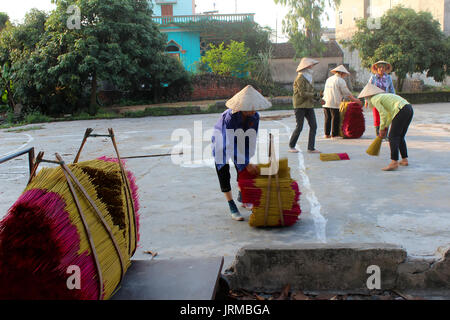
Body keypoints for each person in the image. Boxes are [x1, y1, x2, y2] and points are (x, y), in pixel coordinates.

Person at [211, 85, 271, 221]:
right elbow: (229, 144)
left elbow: (251, 138)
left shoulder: (255, 117)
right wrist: (244, 161)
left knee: (243, 169)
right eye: (251, 107)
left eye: (255, 106)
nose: (254, 110)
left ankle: (243, 196)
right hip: (223, 141)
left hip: (242, 139)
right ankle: (231, 204)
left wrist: (247, 160)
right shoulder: (229, 117)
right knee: (223, 171)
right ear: (243, 106)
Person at [358, 83, 414, 171]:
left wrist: (381, 129)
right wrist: (385, 127)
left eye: (365, 98)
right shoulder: (382, 96)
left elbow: (383, 114)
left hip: (401, 110)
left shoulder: (375, 99)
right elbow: (388, 115)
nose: (366, 101)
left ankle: (394, 162)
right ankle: (404, 160)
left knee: (393, 137)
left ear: (368, 96)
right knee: (400, 136)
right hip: (408, 108)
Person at [288, 57, 321, 153]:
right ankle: (291, 145)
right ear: (306, 66)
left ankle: (311, 148)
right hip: (300, 105)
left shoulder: (310, 77)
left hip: (309, 105)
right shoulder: (300, 78)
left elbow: (310, 92)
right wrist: (314, 95)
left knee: (313, 126)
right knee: (299, 127)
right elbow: (302, 93)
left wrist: (318, 99)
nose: (312, 66)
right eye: (311, 65)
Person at [322, 65, 361, 139]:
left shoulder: (329, 79)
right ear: (342, 73)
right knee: (335, 117)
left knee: (327, 118)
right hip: (334, 101)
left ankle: (326, 134)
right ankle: (334, 134)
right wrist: (355, 100)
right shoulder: (340, 80)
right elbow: (346, 92)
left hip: (326, 101)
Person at [364, 61, 396, 136]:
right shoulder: (373, 78)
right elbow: (368, 89)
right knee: (377, 117)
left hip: (386, 99)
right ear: (377, 69)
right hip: (376, 100)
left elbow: (391, 89)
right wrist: (366, 100)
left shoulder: (388, 78)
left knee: (387, 117)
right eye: (379, 67)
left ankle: (385, 134)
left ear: (385, 69)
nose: (381, 69)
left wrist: (394, 100)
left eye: (383, 67)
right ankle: (378, 135)